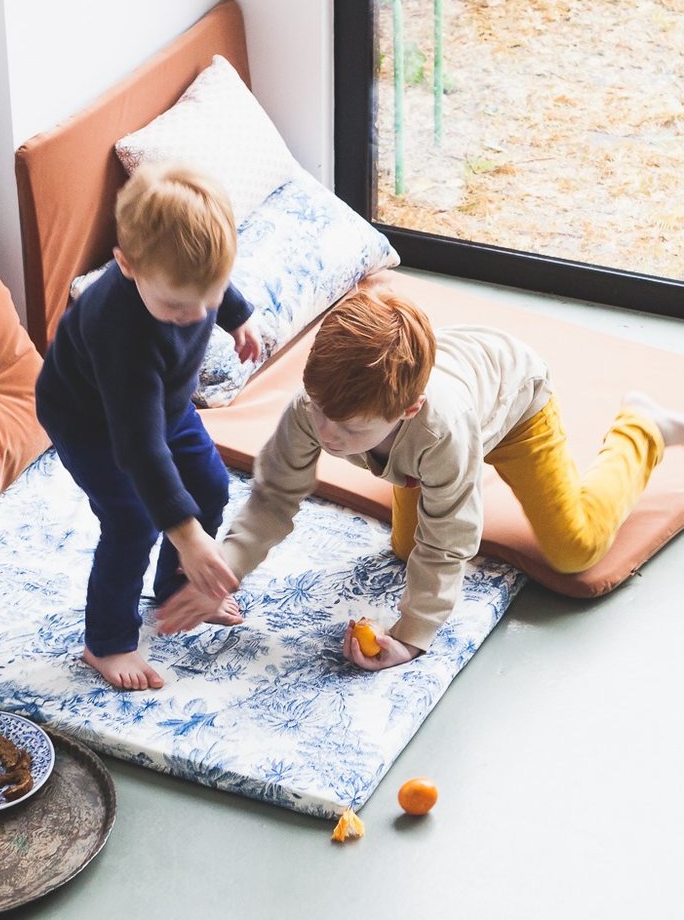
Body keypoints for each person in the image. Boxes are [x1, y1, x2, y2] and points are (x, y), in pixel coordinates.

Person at [157, 286, 684, 670]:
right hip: (431, 413)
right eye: (317, 409)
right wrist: (223, 571)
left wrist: (412, 637)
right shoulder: (319, 407)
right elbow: (273, 498)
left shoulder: (439, 429)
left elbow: (452, 539)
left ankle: (643, 429)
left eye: (346, 426)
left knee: (575, 549)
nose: (325, 432)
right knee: (406, 545)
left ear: (408, 409)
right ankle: (430, 470)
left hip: (516, 406)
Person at [35, 162, 261, 691]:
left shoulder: (189, 278)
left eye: (209, 295)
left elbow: (210, 284)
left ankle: (175, 590)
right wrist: (187, 536)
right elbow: (139, 449)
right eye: (179, 305)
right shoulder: (121, 331)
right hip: (93, 421)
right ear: (126, 265)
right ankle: (106, 642)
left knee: (208, 484)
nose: (196, 312)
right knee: (135, 519)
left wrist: (237, 314)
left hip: (165, 402)